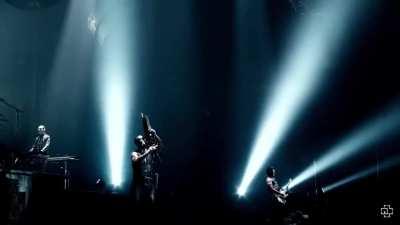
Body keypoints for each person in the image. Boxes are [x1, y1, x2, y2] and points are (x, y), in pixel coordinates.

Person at [131, 135, 159, 204]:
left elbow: (159, 144)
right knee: (138, 201)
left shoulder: (149, 150)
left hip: (149, 181)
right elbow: (136, 160)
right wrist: (149, 151)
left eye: (143, 139)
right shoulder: (134, 153)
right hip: (139, 182)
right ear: (137, 143)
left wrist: (155, 134)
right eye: (140, 140)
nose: (142, 140)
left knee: (151, 199)